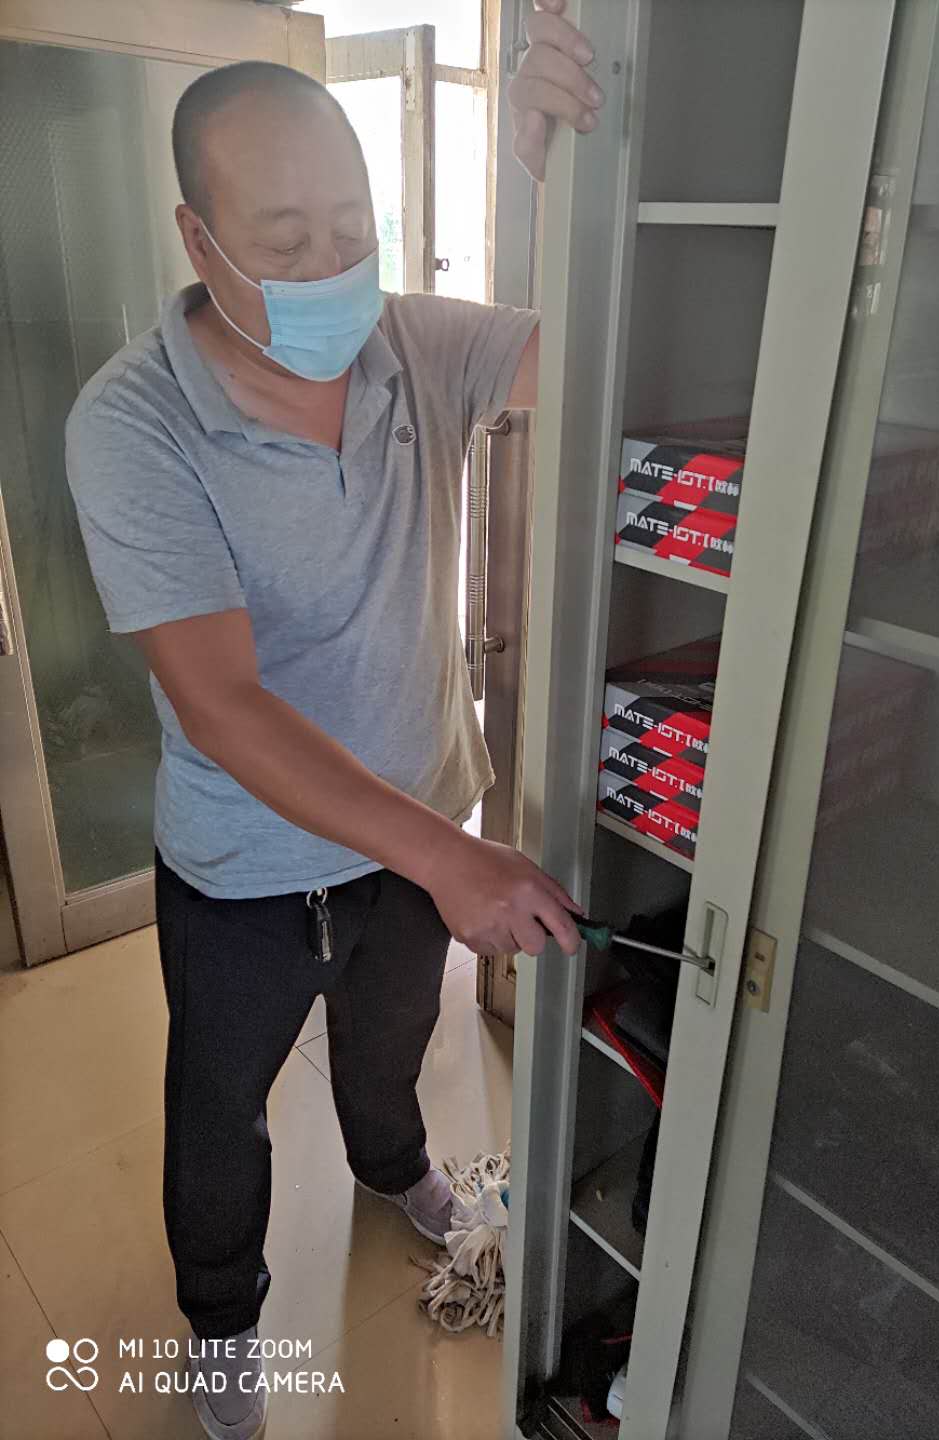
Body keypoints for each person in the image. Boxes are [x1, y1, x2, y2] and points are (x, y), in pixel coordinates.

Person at [64, 3, 600, 1436]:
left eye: (352, 229)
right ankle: (223, 1325)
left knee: (391, 1042)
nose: (330, 269)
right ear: (201, 241)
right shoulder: (132, 424)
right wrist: (457, 856)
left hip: (413, 825)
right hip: (243, 866)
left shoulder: (414, 345)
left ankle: (394, 1170)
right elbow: (224, 704)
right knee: (219, 1108)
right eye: (286, 243)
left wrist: (553, 183)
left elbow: (594, 358)